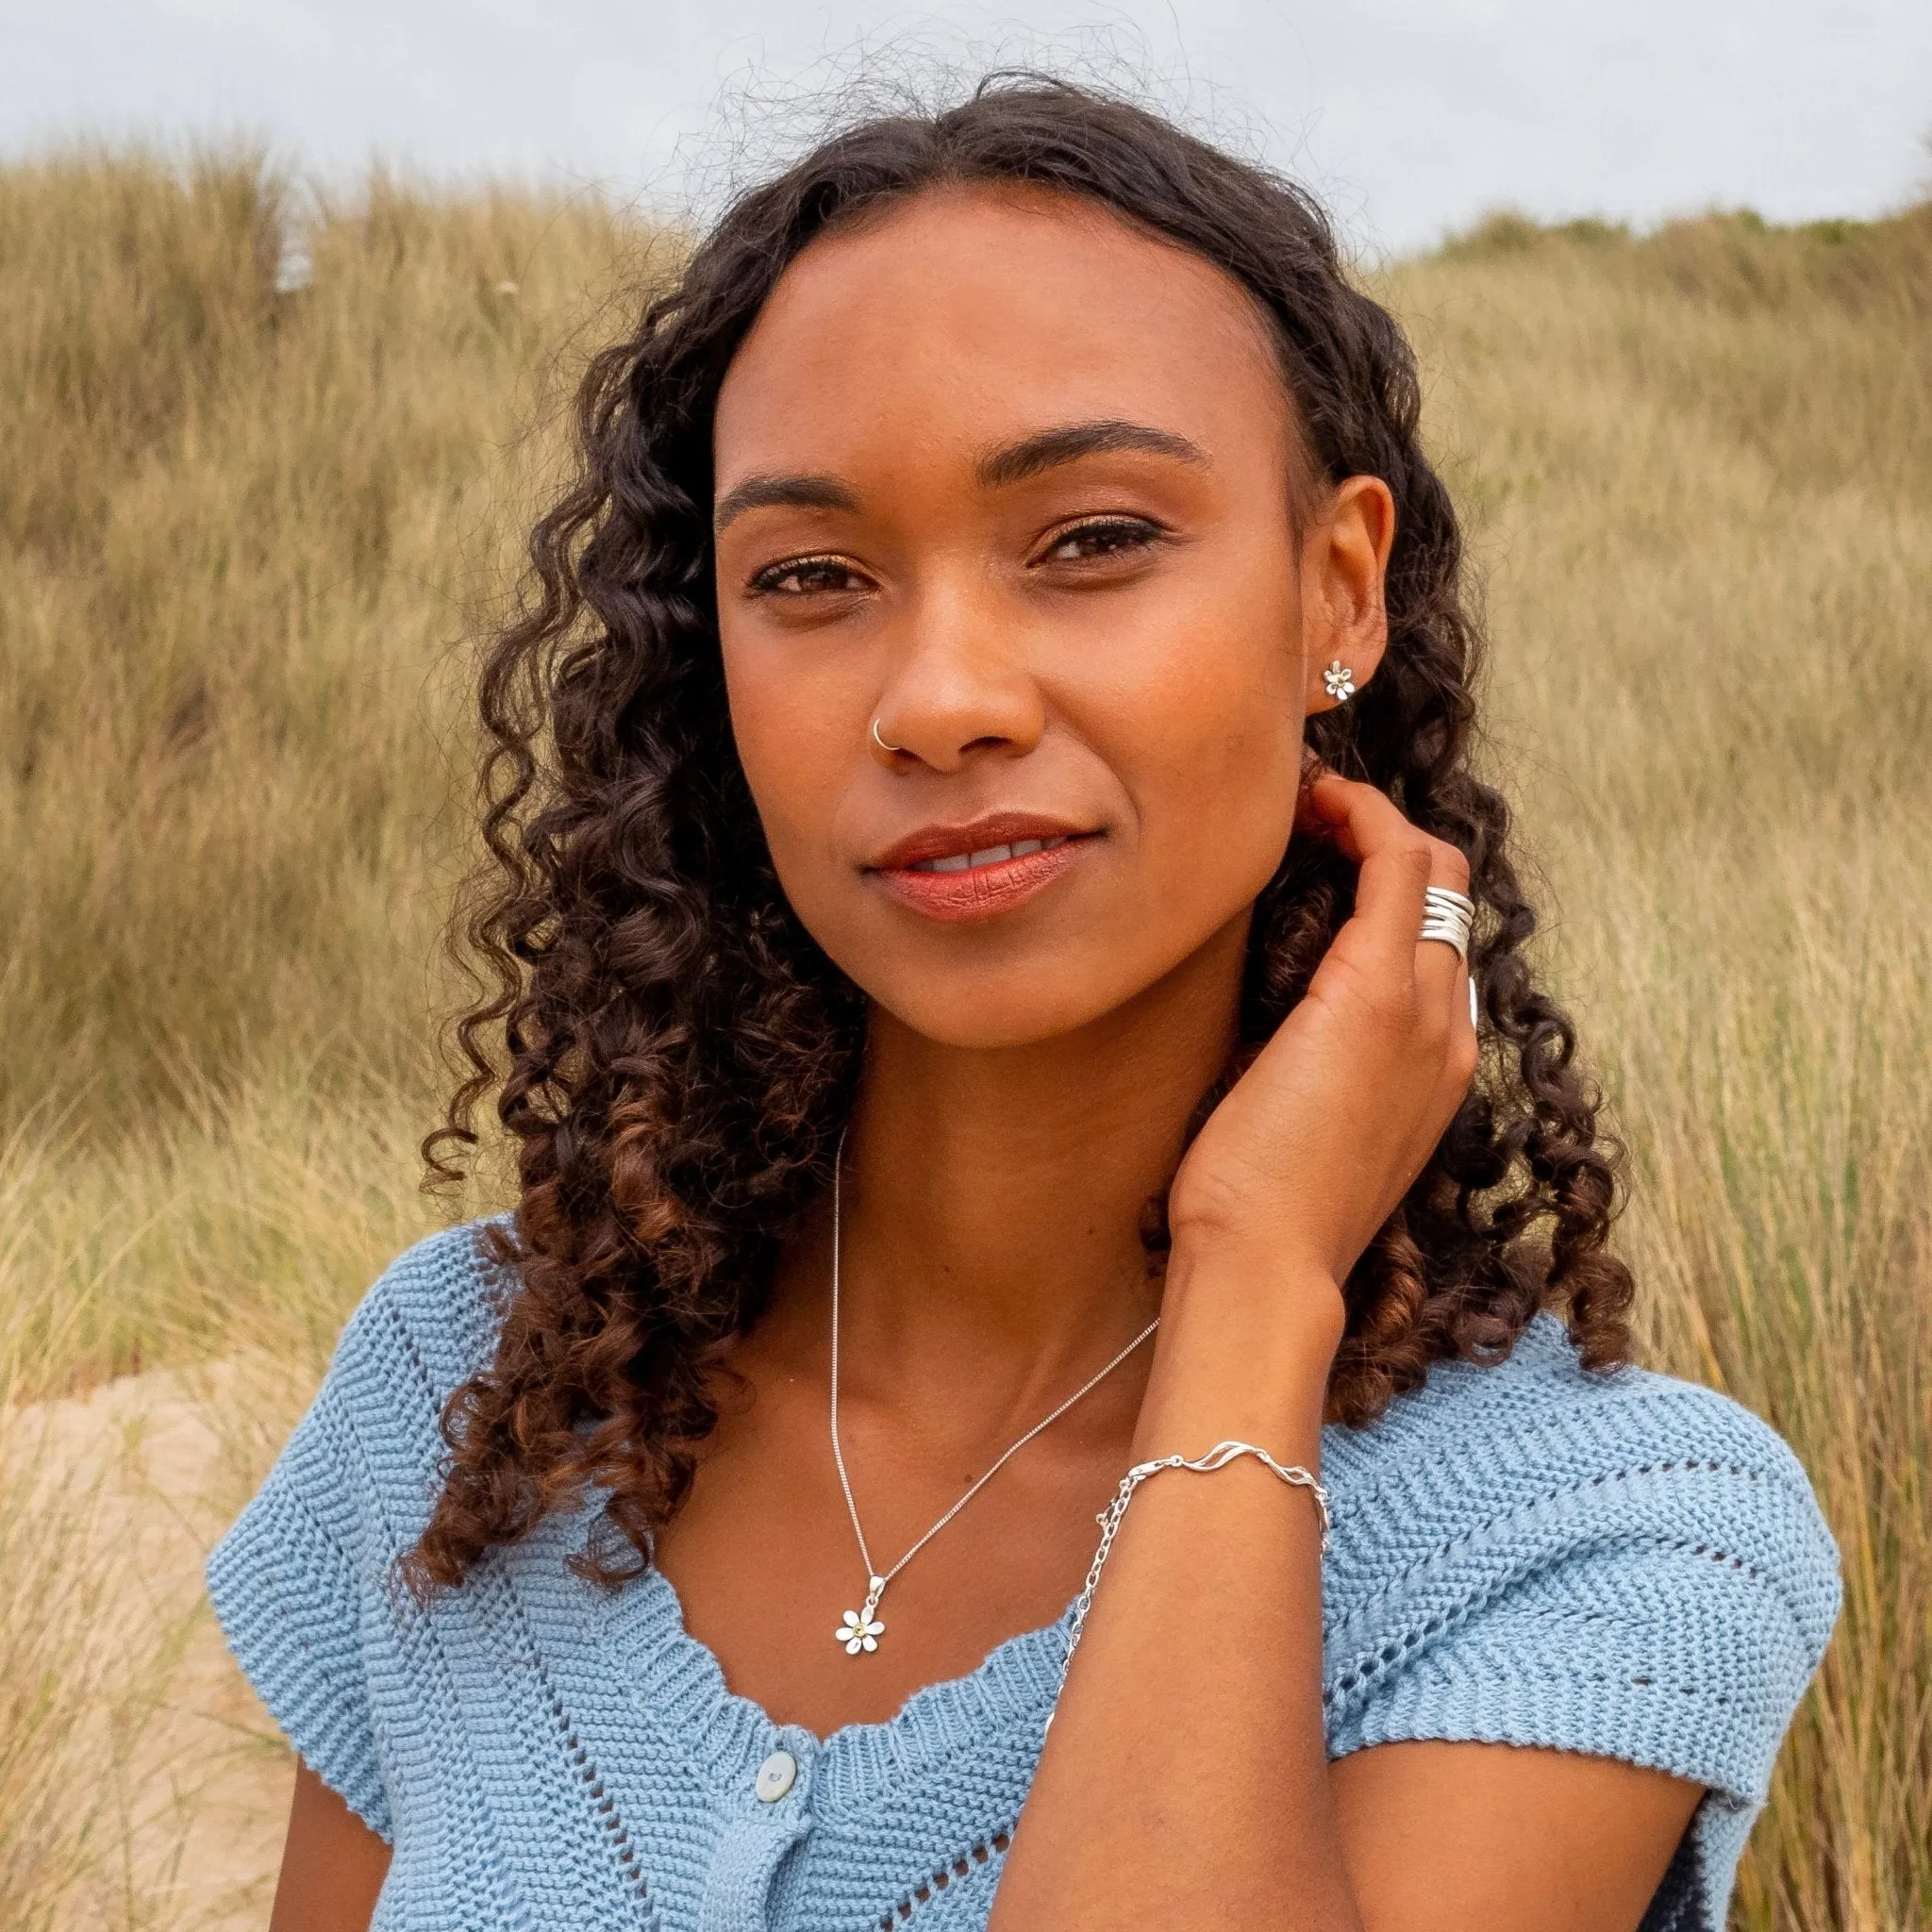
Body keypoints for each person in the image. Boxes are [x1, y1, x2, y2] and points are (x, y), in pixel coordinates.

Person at [208, 76, 1839, 1932]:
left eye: (1090, 541)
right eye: (809, 575)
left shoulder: (1595, 1536)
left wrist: (1250, 1285)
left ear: (1337, 589)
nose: (941, 698)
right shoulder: (471, 1402)